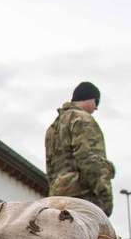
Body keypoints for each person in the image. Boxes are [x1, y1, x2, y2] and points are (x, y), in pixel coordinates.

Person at [44, 81, 116, 216]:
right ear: (91, 98)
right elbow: (90, 160)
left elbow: (50, 169)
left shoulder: (52, 128)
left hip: (57, 199)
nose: (95, 109)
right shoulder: (82, 119)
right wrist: (106, 197)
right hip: (82, 198)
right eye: (96, 103)